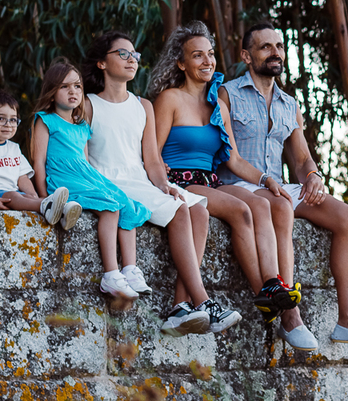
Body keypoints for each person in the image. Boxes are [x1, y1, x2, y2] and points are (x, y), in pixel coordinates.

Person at [218, 20, 348, 352]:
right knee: (279, 204)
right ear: (246, 55)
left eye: (279, 46)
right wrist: (266, 181)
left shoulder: (289, 104)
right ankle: (290, 317)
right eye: (265, 47)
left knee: (346, 217)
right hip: (242, 185)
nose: (275, 52)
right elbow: (229, 157)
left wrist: (313, 175)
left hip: (278, 186)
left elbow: (300, 159)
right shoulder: (227, 93)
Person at [82, 31, 242, 336]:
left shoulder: (143, 105)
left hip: (140, 179)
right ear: (102, 63)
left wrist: (164, 184)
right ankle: (203, 301)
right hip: (109, 182)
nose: (132, 60)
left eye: (135, 55)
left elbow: (152, 160)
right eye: (123, 54)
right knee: (181, 211)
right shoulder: (88, 105)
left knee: (199, 210)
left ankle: (180, 308)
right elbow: (84, 157)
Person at [148, 21, 303, 328]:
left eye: (210, 54)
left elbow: (233, 159)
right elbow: (152, 150)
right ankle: (264, 291)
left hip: (209, 181)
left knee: (260, 203)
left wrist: (265, 179)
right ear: (181, 63)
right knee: (240, 209)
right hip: (179, 180)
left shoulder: (218, 104)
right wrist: (159, 173)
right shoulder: (170, 99)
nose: (207, 61)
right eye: (197, 55)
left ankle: (272, 285)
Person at [30, 59, 152, 301]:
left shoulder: (82, 125)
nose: (73, 91)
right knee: (110, 208)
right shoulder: (45, 120)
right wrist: (45, 197)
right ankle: (110, 274)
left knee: (126, 203)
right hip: (63, 180)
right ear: (52, 92)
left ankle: (130, 269)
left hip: (85, 176)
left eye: (77, 86)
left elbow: (85, 162)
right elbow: (38, 161)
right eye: (65, 87)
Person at [0, 88, 72, 226]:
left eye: (13, 120)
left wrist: (33, 195)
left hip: (11, 194)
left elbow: (22, 177)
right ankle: (46, 206)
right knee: (14, 196)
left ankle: (61, 210)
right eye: (0, 119)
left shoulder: (14, 148)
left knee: (25, 196)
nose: (8, 124)